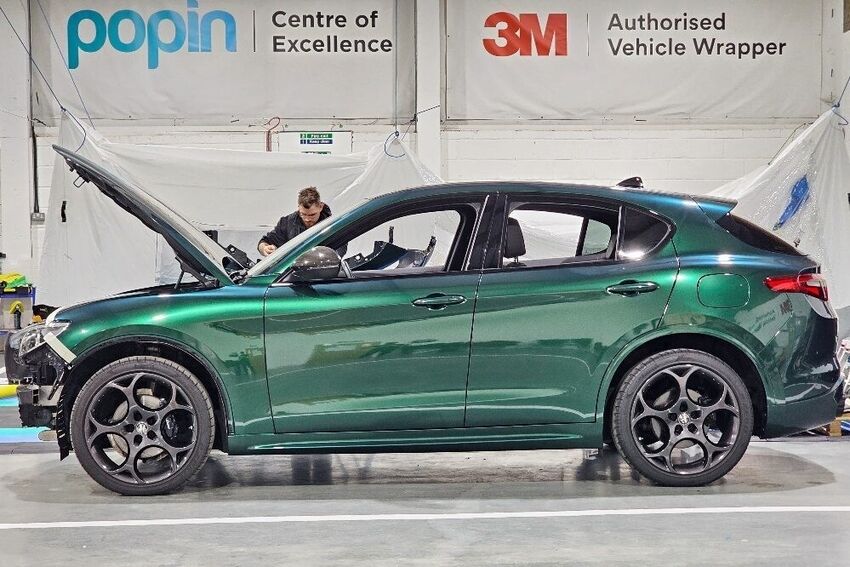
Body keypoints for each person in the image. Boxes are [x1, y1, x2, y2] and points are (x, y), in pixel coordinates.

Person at [257, 187, 332, 257]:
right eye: (303, 214)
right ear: (298, 207)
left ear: (321, 207)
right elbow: (265, 242)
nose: (307, 219)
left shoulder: (332, 226)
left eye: (312, 215)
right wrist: (265, 248)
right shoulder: (286, 223)